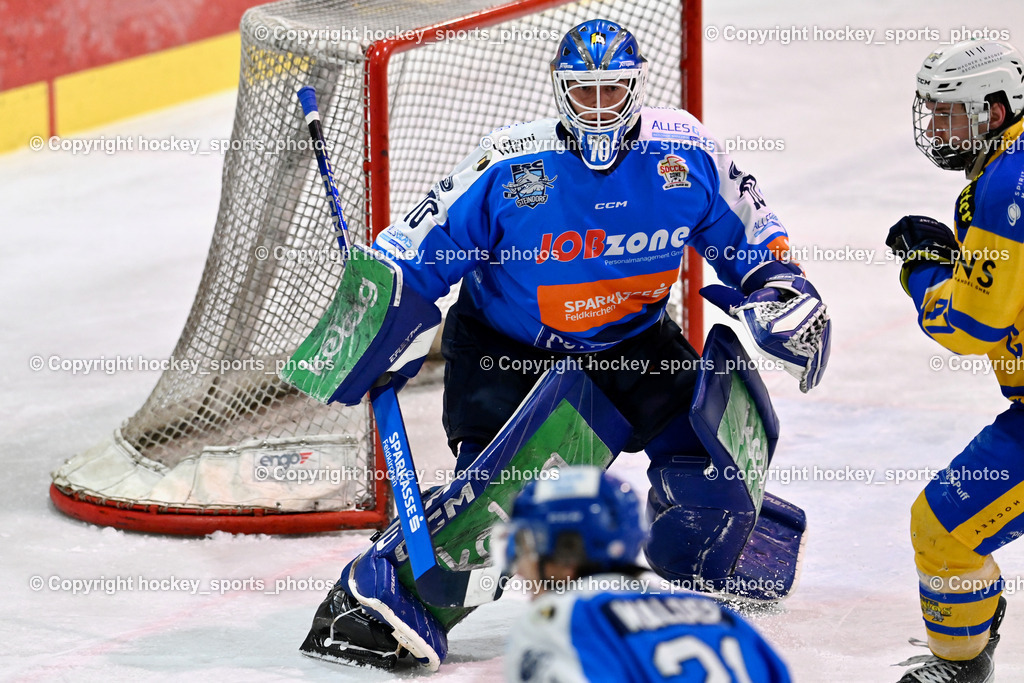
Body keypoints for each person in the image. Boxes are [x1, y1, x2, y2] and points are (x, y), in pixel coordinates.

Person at [298, 18, 830, 671]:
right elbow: (413, 250)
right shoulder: (510, 163)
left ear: (636, 90)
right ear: (560, 90)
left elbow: (750, 232)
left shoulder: (685, 154)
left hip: (635, 340)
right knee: (499, 513)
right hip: (510, 353)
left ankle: (694, 535)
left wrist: (779, 284)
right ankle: (377, 593)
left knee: (715, 480)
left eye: (614, 92)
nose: (601, 108)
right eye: (586, 92)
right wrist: (383, 317)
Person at [886, 39, 1024, 683]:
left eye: (952, 114)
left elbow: (973, 324)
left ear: (995, 112)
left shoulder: (1003, 186)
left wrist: (925, 271)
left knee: (942, 530)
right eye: (933, 113)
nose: (938, 130)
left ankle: (960, 668)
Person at [502, 466, 792, 682]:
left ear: (564, 557)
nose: (520, 568)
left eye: (525, 545)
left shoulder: (560, 620)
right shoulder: (720, 616)